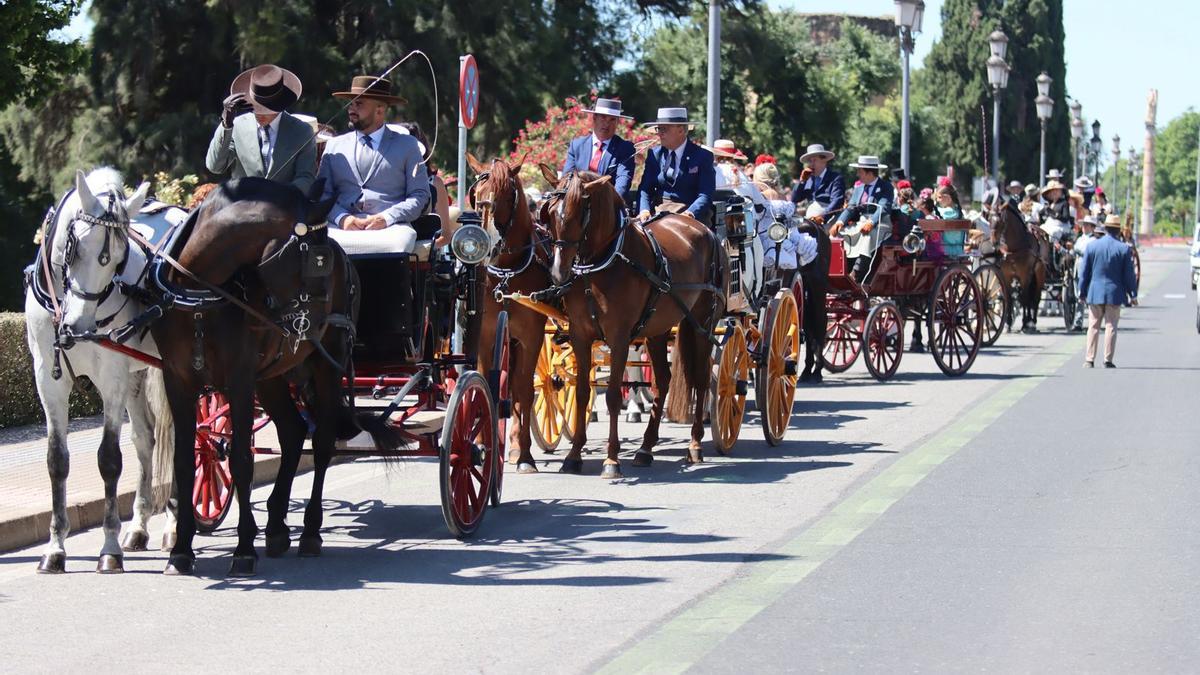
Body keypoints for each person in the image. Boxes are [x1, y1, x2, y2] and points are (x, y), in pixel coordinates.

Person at [318, 74, 430, 252]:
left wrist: (387, 217)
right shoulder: (334, 146)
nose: (351, 109)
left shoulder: (407, 146)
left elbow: (420, 195)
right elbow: (322, 194)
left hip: (392, 227)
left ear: (380, 110)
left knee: (399, 245)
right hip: (341, 227)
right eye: (351, 103)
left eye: (359, 103)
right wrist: (342, 218)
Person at [205, 64, 316, 194]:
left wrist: (281, 196)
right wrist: (226, 125)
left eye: (266, 109)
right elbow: (215, 166)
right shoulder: (237, 127)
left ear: (280, 103)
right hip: (242, 207)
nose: (260, 114)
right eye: (256, 108)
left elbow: (306, 178)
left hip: (284, 207)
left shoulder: (302, 131)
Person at [1078, 212, 1138, 367]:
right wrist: (1133, 294)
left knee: (1093, 325)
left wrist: (1082, 291)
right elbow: (1129, 275)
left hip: (1095, 291)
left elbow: (1084, 272)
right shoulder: (1124, 249)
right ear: (1118, 231)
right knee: (1111, 325)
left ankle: (1089, 359)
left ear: (1104, 228)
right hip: (1114, 293)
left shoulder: (1092, 246)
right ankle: (1107, 359)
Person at [637, 107, 715, 225]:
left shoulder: (702, 156)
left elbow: (705, 194)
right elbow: (645, 188)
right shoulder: (654, 154)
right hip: (659, 213)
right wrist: (644, 210)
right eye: (659, 128)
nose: (660, 133)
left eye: (665, 129)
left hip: (690, 215)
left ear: (681, 130)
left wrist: (690, 213)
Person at [831, 155, 894, 283]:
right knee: (840, 235)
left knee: (868, 236)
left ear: (869, 173)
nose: (858, 174)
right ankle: (840, 271)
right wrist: (840, 222)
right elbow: (851, 208)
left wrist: (871, 222)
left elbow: (883, 207)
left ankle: (856, 272)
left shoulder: (886, 187)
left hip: (881, 223)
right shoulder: (859, 189)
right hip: (861, 222)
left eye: (860, 171)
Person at [562, 98, 637, 200]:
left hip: (609, 205)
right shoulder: (577, 145)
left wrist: (609, 203)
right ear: (594, 117)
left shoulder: (625, 148)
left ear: (617, 122)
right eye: (603, 118)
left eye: (612, 119)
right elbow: (567, 178)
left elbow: (623, 182)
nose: (606, 124)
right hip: (578, 203)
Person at [790, 143, 845, 221]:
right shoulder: (808, 178)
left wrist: (823, 216)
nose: (811, 164)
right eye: (810, 161)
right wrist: (801, 181)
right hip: (810, 218)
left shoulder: (835, 178)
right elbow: (794, 199)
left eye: (814, 160)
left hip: (828, 218)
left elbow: (837, 201)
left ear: (824, 160)